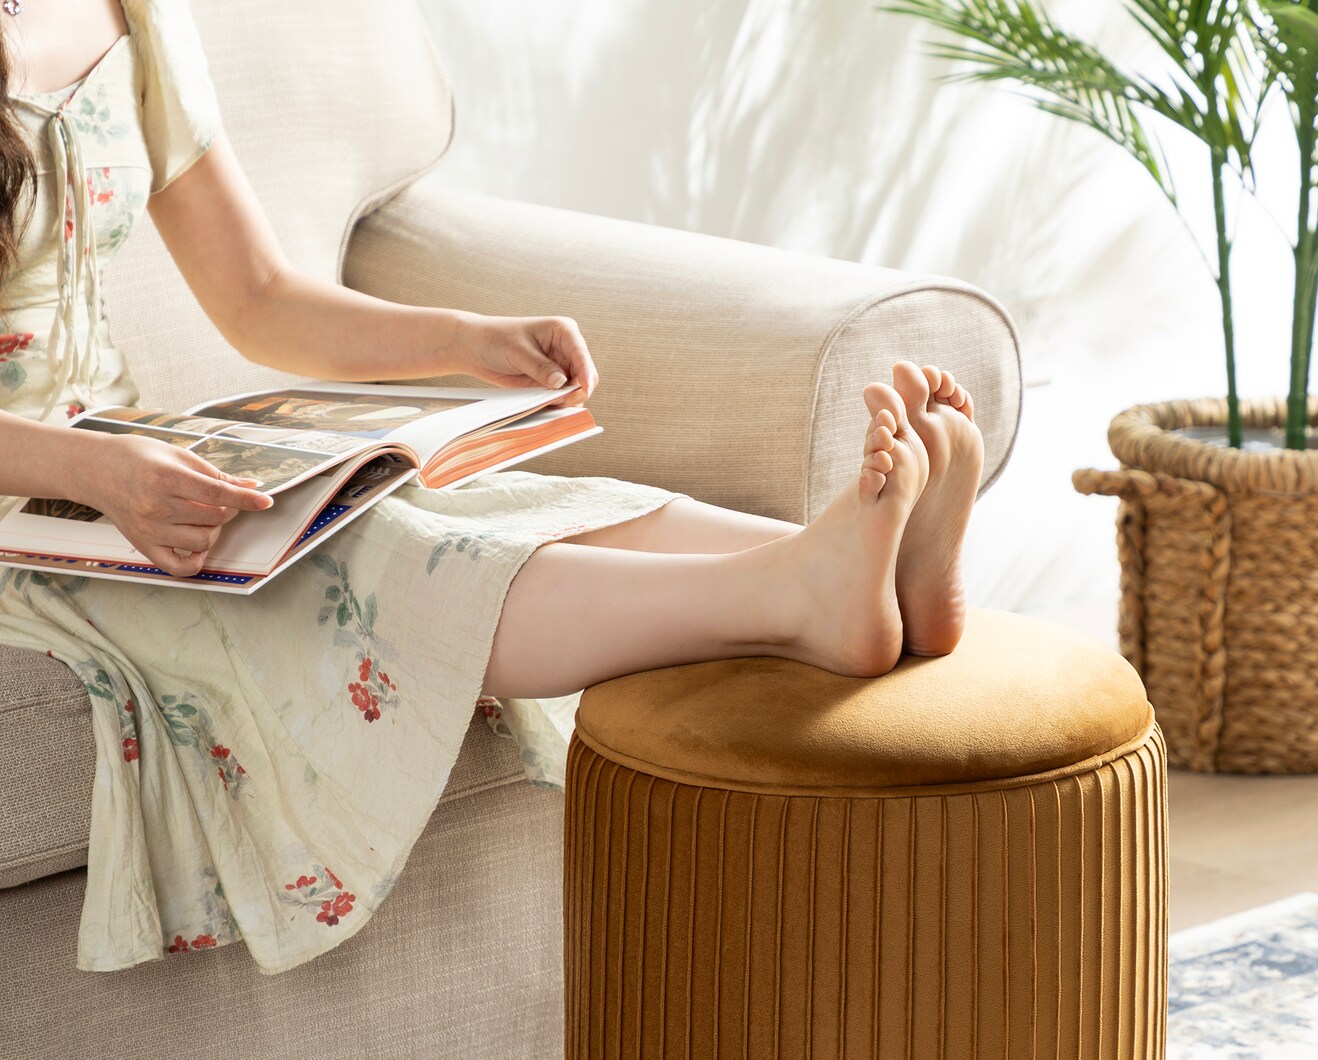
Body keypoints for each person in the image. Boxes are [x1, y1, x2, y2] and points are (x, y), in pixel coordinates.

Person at [0, 0, 985, 973]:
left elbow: (257, 293)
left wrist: (467, 340)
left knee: (420, 501)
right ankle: (799, 597)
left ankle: (866, 567)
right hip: (36, 502)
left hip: (132, 456)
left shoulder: (139, 15)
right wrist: (97, 469)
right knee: (355, 562)